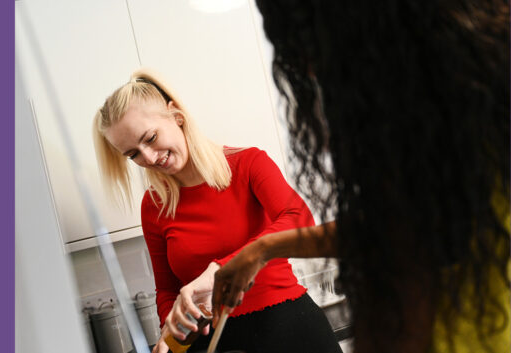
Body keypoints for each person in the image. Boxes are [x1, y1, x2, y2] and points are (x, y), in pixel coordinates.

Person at [211, 1, 510, 352]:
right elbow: (399, 226)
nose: (310, 74)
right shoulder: (468, 85)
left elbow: (400, 250)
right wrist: (263, 248)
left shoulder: (411, 116)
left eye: (308, 48)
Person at [93, 69, 341, 352]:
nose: (147, 157)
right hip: (213, 343)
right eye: (133, 154)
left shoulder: (249, 165)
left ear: (177, 117)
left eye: (149, 138)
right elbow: (167, 290)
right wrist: (170, 331)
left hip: (290, 330)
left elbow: (300, 220)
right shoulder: (153, 206)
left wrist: (221, 269)